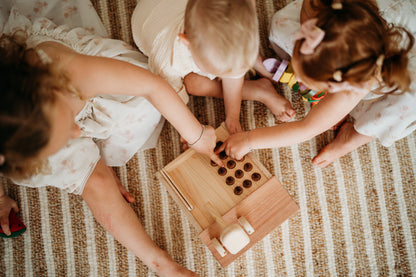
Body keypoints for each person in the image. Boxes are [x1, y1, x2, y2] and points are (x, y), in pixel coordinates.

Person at [0, 3, 224, 276]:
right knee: (90, 179)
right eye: (63, 139)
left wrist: (197, 134)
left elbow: (153, 86)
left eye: (68, 123)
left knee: (152, 106)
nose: (78, 133)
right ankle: (161, 264)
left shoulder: (68, 71)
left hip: (84, 81)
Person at [219, 0, 416, 167]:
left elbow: (307, 128)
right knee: (279, 24)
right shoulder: (323, 10)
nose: (300, 81)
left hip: (404, 73)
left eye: (309, 80)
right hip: (354, 15)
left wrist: (248, 140)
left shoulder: (358, 82)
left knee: (408, 103)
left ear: (339, 84)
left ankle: (351, 138)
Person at [131, 0, 296, 135]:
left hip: (185, 11)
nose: (225, 78)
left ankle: (253, 60)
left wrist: (232, 117)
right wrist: (192, 134)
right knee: (194, 84)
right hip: (150, 18)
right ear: (187, 42)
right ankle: (258, 88)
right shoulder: (167, 61)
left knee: (236, 55)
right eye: (217, 72)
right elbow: (173, 103)